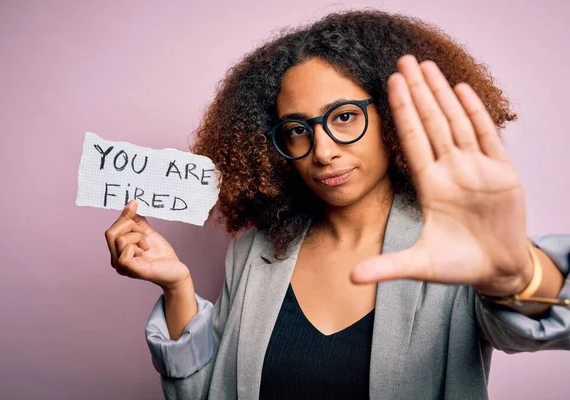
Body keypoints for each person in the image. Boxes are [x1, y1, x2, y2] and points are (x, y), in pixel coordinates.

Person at [104, 10, 570, 400]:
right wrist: (178, 288)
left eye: (344, 117)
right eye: (297, 129)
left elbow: (537, 327)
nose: (322, 151)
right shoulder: (255, 252)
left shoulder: (454, 250)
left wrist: (517, 275)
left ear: (390, 116)